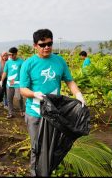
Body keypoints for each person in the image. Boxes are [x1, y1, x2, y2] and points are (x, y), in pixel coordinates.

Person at [19, 29, 85, 176]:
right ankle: (35, 173)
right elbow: (23, 89)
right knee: (37, 148)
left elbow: (69, 80)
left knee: (53, 146)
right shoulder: (28, 64)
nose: (47, 47)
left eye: (49, 43)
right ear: (35, 45)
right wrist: (34, 94)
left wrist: (78, 94)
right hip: (35, 114)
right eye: (42, 45)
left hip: (54, 114)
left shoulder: (59, 61)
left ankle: (47, 171)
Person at [0, 47, 25, 118]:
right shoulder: (8, 62)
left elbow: (24, 73)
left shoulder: (21, 62)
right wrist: (1, 81)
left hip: (18, 83)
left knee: (19, 98)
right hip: (9, 84)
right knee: (9, 99)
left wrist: (24, 82)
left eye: (12, 55)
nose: (11, 56)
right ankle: (10, 113)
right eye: (9, 55)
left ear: (16, 54)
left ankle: (22, 111)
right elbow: (5, 72)